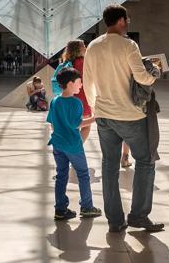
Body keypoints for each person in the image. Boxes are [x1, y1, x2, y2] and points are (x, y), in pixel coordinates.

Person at [83, 4, 163, 234]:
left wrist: (95, 108)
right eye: (126, 19)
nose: (128, 22)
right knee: (145, 161)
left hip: (104, 115)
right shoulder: (129, 44)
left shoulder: (93, 45)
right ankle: (138, 216)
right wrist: (154, 75)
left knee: (109, 166)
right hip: (129, 115)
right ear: (120, 21)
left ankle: (115, 221)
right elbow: (142, 77)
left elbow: (87, 80)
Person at [47, 66, 101, 221]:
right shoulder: (76, 103)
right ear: (70, 83)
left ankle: (60, 209)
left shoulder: (55, 101)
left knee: (61, 175)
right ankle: (87, 206)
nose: (81, 85)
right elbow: (77, 124)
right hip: (73, 146)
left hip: (58, 144)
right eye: (79, 82)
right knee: (83, 174)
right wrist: (95, 117)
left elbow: (52, 124)